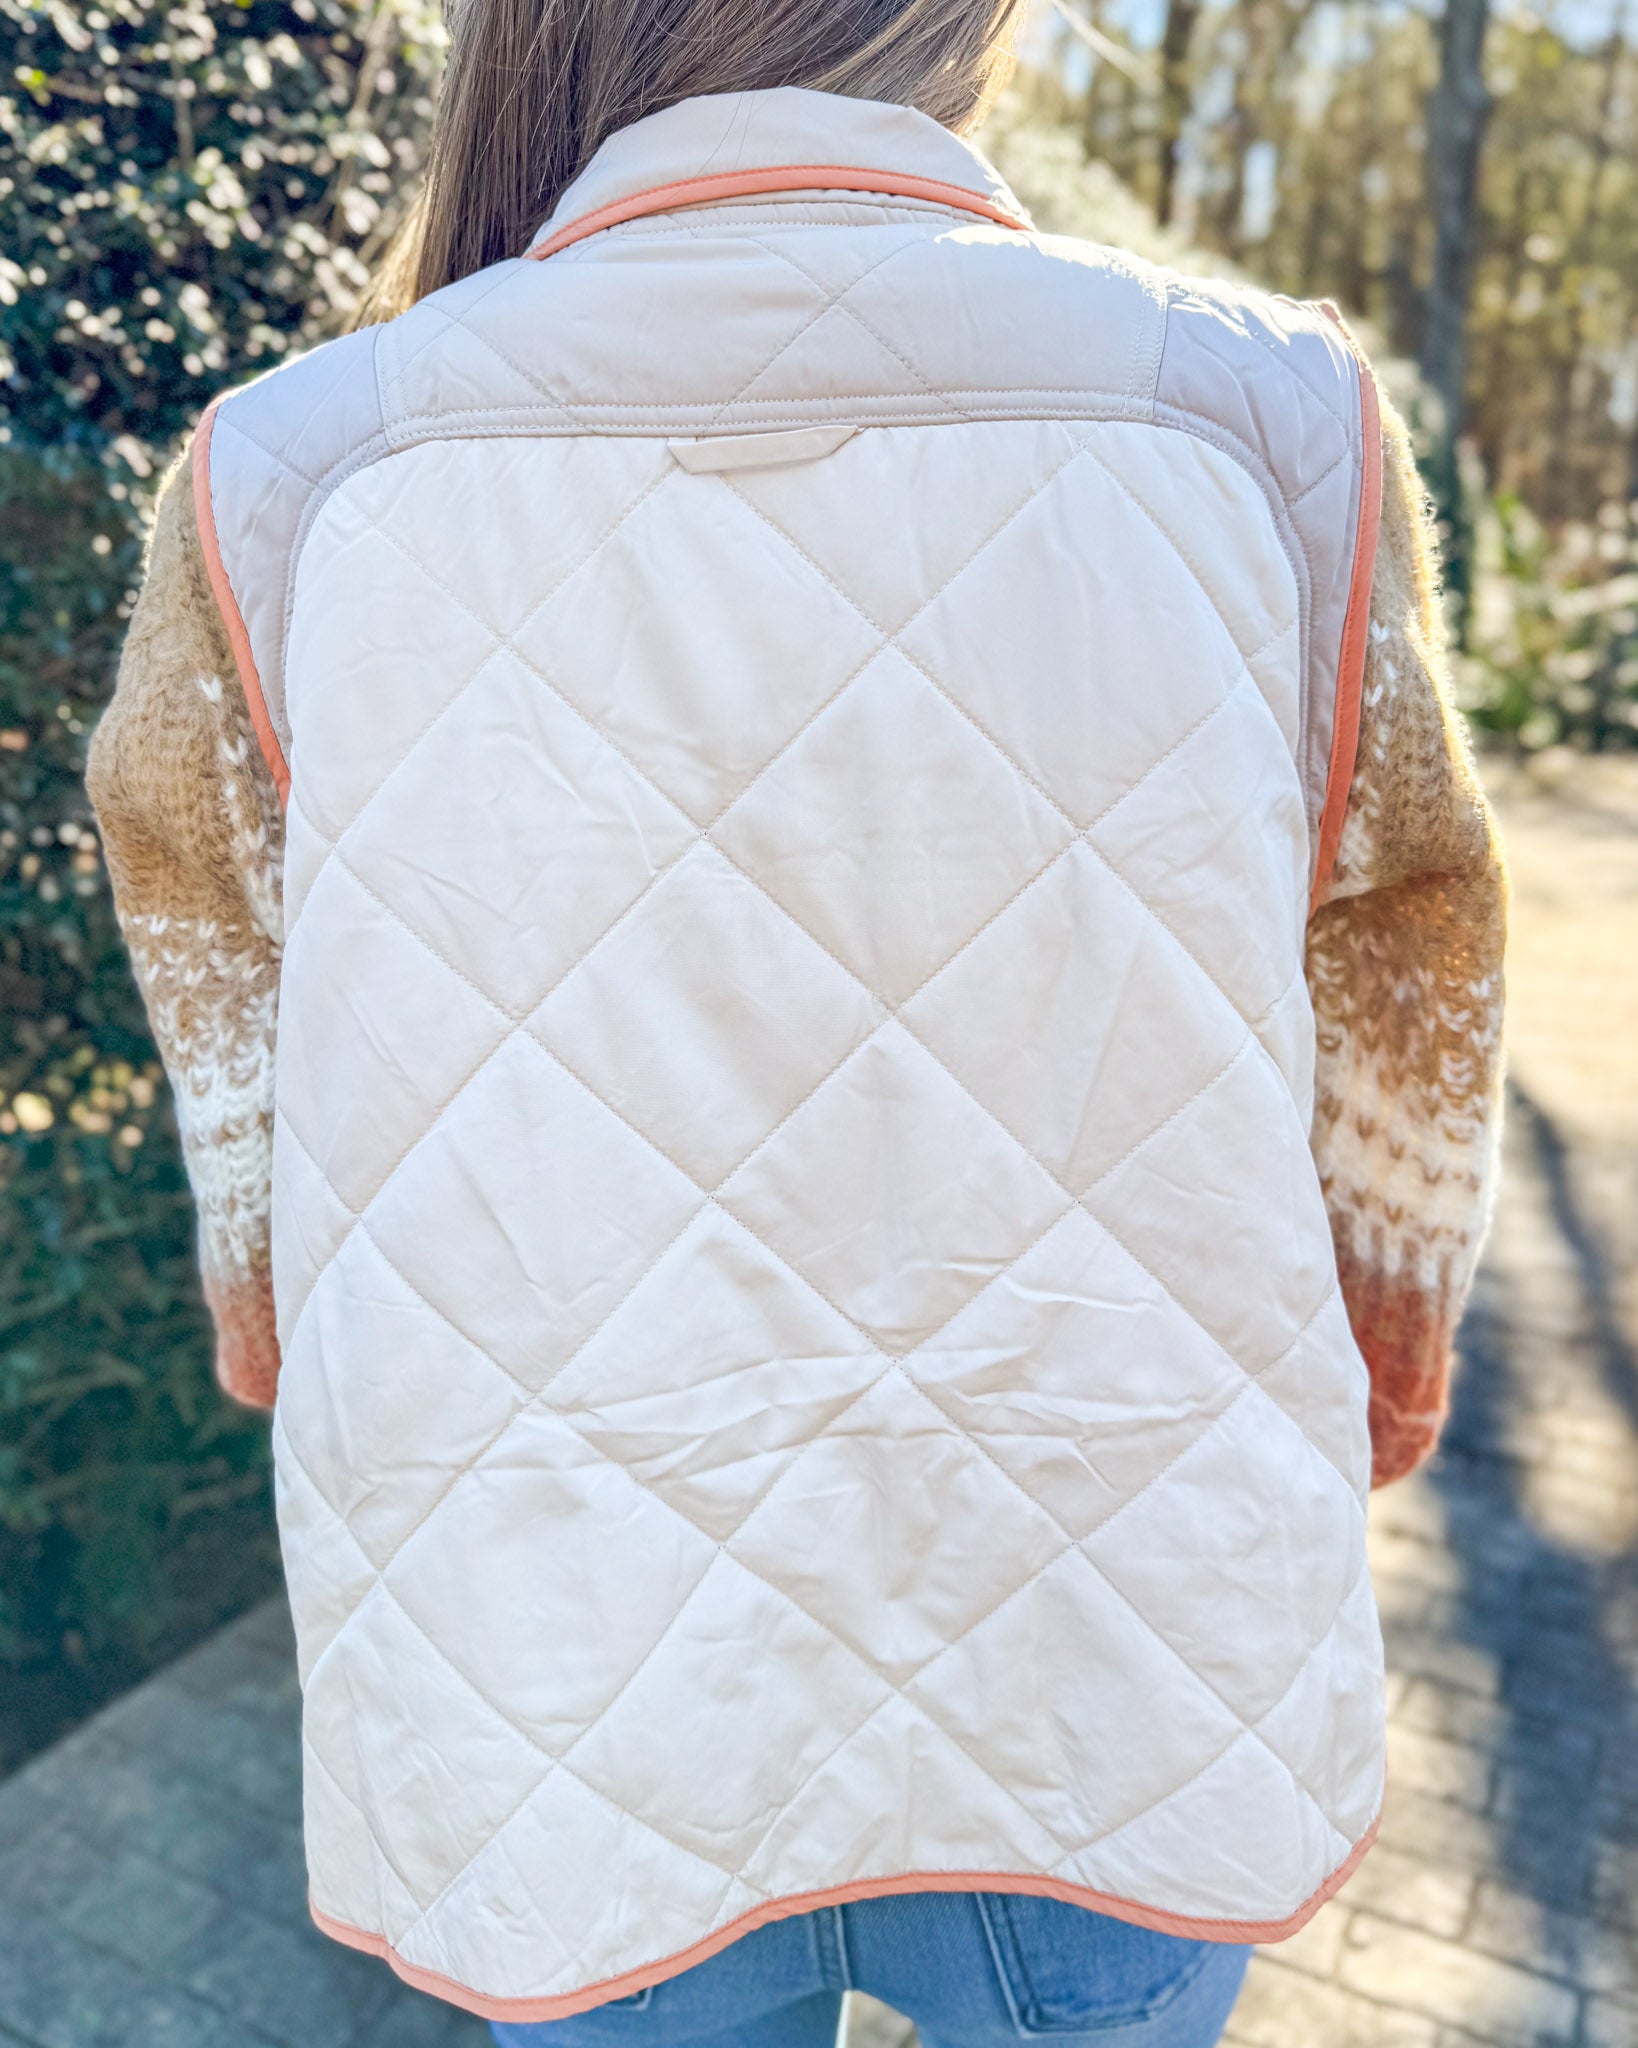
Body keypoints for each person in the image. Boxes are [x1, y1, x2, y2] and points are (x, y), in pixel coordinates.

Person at [87, 3, 1507, 2044]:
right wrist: (1379, 1358)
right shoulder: (1265, 421)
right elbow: (1412, 956)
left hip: (568, 1660)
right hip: (1109, 1631)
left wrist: (277, 1329)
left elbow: (232, 1013)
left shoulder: (289, 479)